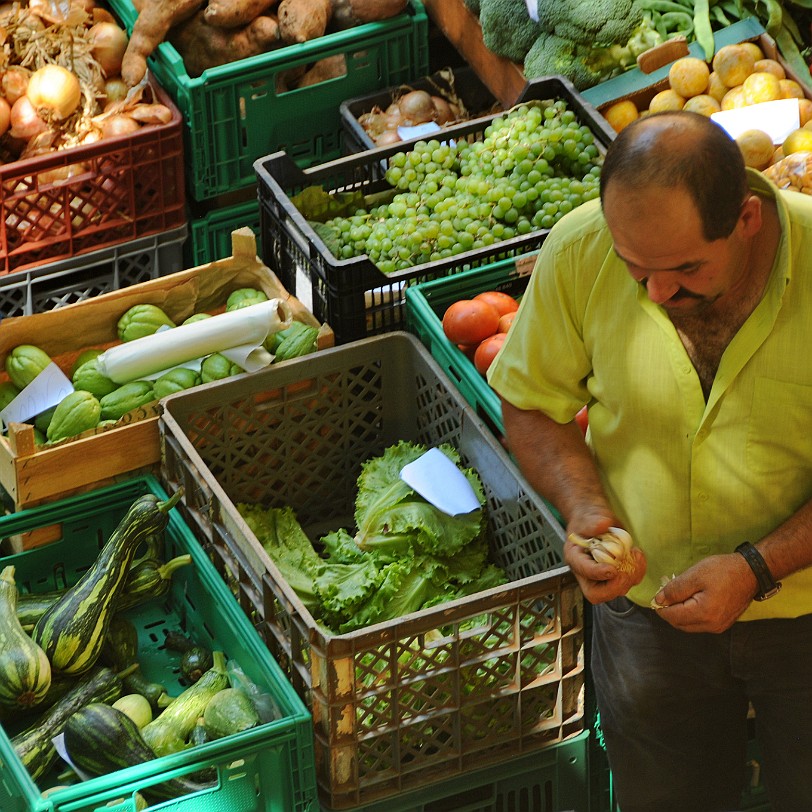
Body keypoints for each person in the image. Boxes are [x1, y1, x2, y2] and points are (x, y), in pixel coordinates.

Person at [486, 110, 812, 812]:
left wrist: (757, 568)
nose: (658, 293)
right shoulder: (580, 251)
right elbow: (533, 407)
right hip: (648, 622)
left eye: (687, 268)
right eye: (637, 270)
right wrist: (586, 509)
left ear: (748, 219)